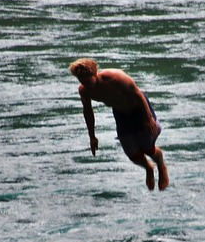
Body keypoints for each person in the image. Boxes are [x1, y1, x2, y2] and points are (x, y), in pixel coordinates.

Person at [69, 58, 170, 191]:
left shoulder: (115, 78)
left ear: (95, 73)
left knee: (147, 147)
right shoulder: (84, 91)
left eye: (88, 81)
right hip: (121, 114)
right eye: (81, 81)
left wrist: (148, 118)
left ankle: (161, 165)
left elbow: (138, 94)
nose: (85, 84)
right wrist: (92, 137)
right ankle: (148, 168)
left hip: (138, 109)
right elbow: (88, 112)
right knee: (132, 153)